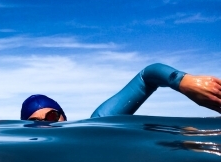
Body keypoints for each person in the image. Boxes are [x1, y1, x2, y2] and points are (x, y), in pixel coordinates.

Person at [21, 63, 221, 122]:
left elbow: (146, 76)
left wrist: (183, 81)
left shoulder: (97, 127)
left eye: (52, 116)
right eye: (34, 123)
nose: (45, 125)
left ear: (63, 116)